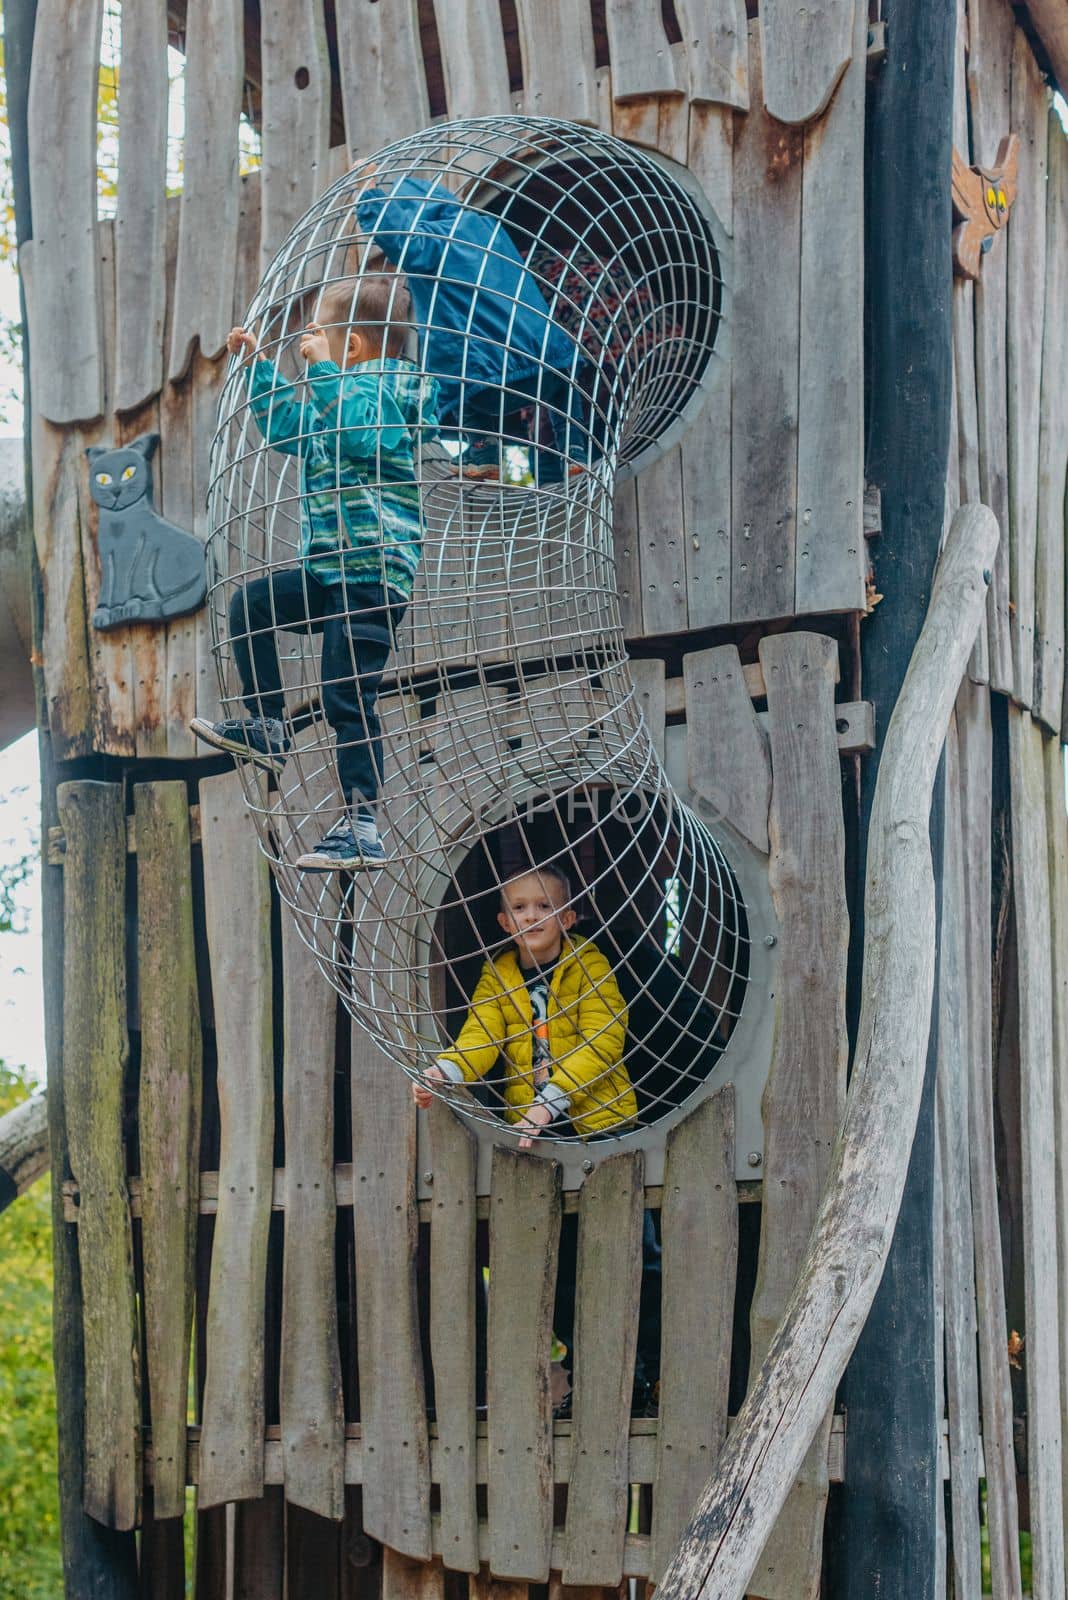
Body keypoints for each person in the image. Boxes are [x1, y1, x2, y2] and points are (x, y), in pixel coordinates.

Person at [191, 274, 439, 870]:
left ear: (350, 346)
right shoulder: (333, 394)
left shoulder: (390, 387)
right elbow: (285, 430)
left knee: (346, 694)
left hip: (372, 576)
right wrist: (257, 368)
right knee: (251, 607)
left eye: (317, 335)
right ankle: (269, 726)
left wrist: (323, 372)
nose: (308, 343)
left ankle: (361, 822)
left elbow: (359, 431)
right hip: (329, 571)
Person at [412, 864, 660, 1412]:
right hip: (539, 1133)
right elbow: (480, 1035)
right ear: (504, 921)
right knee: (564, 1260)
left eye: (545, 907)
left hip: (600, 1124)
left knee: (633, 1253)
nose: (532, 916)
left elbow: (604, 1035)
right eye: (521, 908)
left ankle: (644, 1376)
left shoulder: (587, 964)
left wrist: (551, 1100)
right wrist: (446, 1072)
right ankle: (583, 1378)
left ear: (567, 918)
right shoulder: (499, 976)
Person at [354, 170, 589, 483]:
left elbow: (397, 236)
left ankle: (483, 451)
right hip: (543, 360)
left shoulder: (430, 241)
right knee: (563, 373)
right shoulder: (486, 225)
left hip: (485, 375)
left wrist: (368, 192)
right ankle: (575, 447)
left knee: (454, 374)